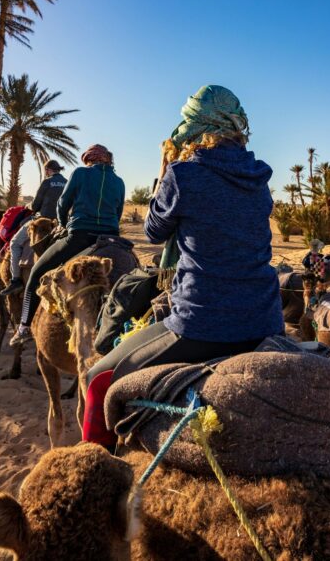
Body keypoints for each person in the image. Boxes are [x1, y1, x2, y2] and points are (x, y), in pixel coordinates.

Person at [81, 85, 282, 447]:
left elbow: (154, 231)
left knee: (97, 379)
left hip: (202, 322)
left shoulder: (184, 174)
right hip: (265, 319)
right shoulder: (260, 179)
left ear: (194, 129)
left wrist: (165, 172)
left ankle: (94, 472)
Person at [12, 144, 125, 342]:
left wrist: (64, 225)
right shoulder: (119, 181)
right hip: (112, 238)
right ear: (107, 160)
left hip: (80, 235)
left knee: (36, 275)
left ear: (89, 160)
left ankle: (24, 327)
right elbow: (118, 212)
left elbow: (63, 204)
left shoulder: (80, 173)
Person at [0, 207, 37, 296]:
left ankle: (16, 280)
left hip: (41, 217)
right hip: (61, 220)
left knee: (14, 243)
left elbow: (36, 204)